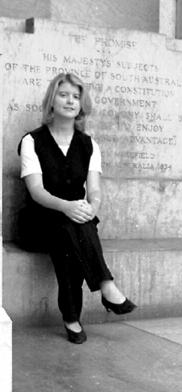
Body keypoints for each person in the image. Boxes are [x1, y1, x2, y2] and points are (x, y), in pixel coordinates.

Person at [18, 72, 136, 344]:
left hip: (76, 220)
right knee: (66, 224)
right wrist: (67, 206)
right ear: (51, 101)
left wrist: (93, 206)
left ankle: (72, 317)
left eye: (76, 96)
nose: (70, 101)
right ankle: (105, 286)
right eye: (63, 95)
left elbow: (94, 190)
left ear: (82, 104)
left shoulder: (89, 145)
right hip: (40, 219)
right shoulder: (32, 141)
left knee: (72, 231)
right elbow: (36, 192)